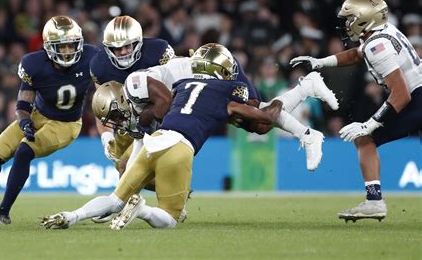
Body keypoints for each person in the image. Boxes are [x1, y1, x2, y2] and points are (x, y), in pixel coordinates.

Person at [41, 43, 338, 230]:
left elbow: (163, 107)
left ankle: (72, 216)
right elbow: (265, 115)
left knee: (117, 194)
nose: (117, 121)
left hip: (160, 138)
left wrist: (144, 130)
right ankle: (144, 209)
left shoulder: (162, 82)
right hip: (177, 145)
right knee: (169, 217)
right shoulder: (215, 87)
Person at [290, 0, 422, 222]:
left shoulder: (377, 45)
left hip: (416, 98)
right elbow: (356, 54)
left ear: (364, 19)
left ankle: (374, 202)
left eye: (349, 18)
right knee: (365, 138)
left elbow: (401, 94)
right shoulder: (382, 33)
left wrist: (369, 124)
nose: (345, 24)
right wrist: (321, 62)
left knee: (365, 139)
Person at [0, 16, 100, 225]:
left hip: (66, 124)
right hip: (37, 116)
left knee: (24, 151)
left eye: (72, 45)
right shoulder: (34, 64)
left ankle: (3, 213)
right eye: (62, 46)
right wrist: (24, 122)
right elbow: (23, 103)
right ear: (49, 47)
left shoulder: (91, 57)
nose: (68, 51)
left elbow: (107, 85)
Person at [90, 15, 175, 177]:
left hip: (161, 115)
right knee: (123, 167)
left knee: (126, 167)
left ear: (138, 43)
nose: (122, 52)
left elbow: (176, 88)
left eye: (127, 46)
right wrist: (106, 135)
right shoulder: (100, 65)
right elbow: (102, 105)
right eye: (117, 48)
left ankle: (167, 192)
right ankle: (172, 191)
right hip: (128, 123)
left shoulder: (158, 51)